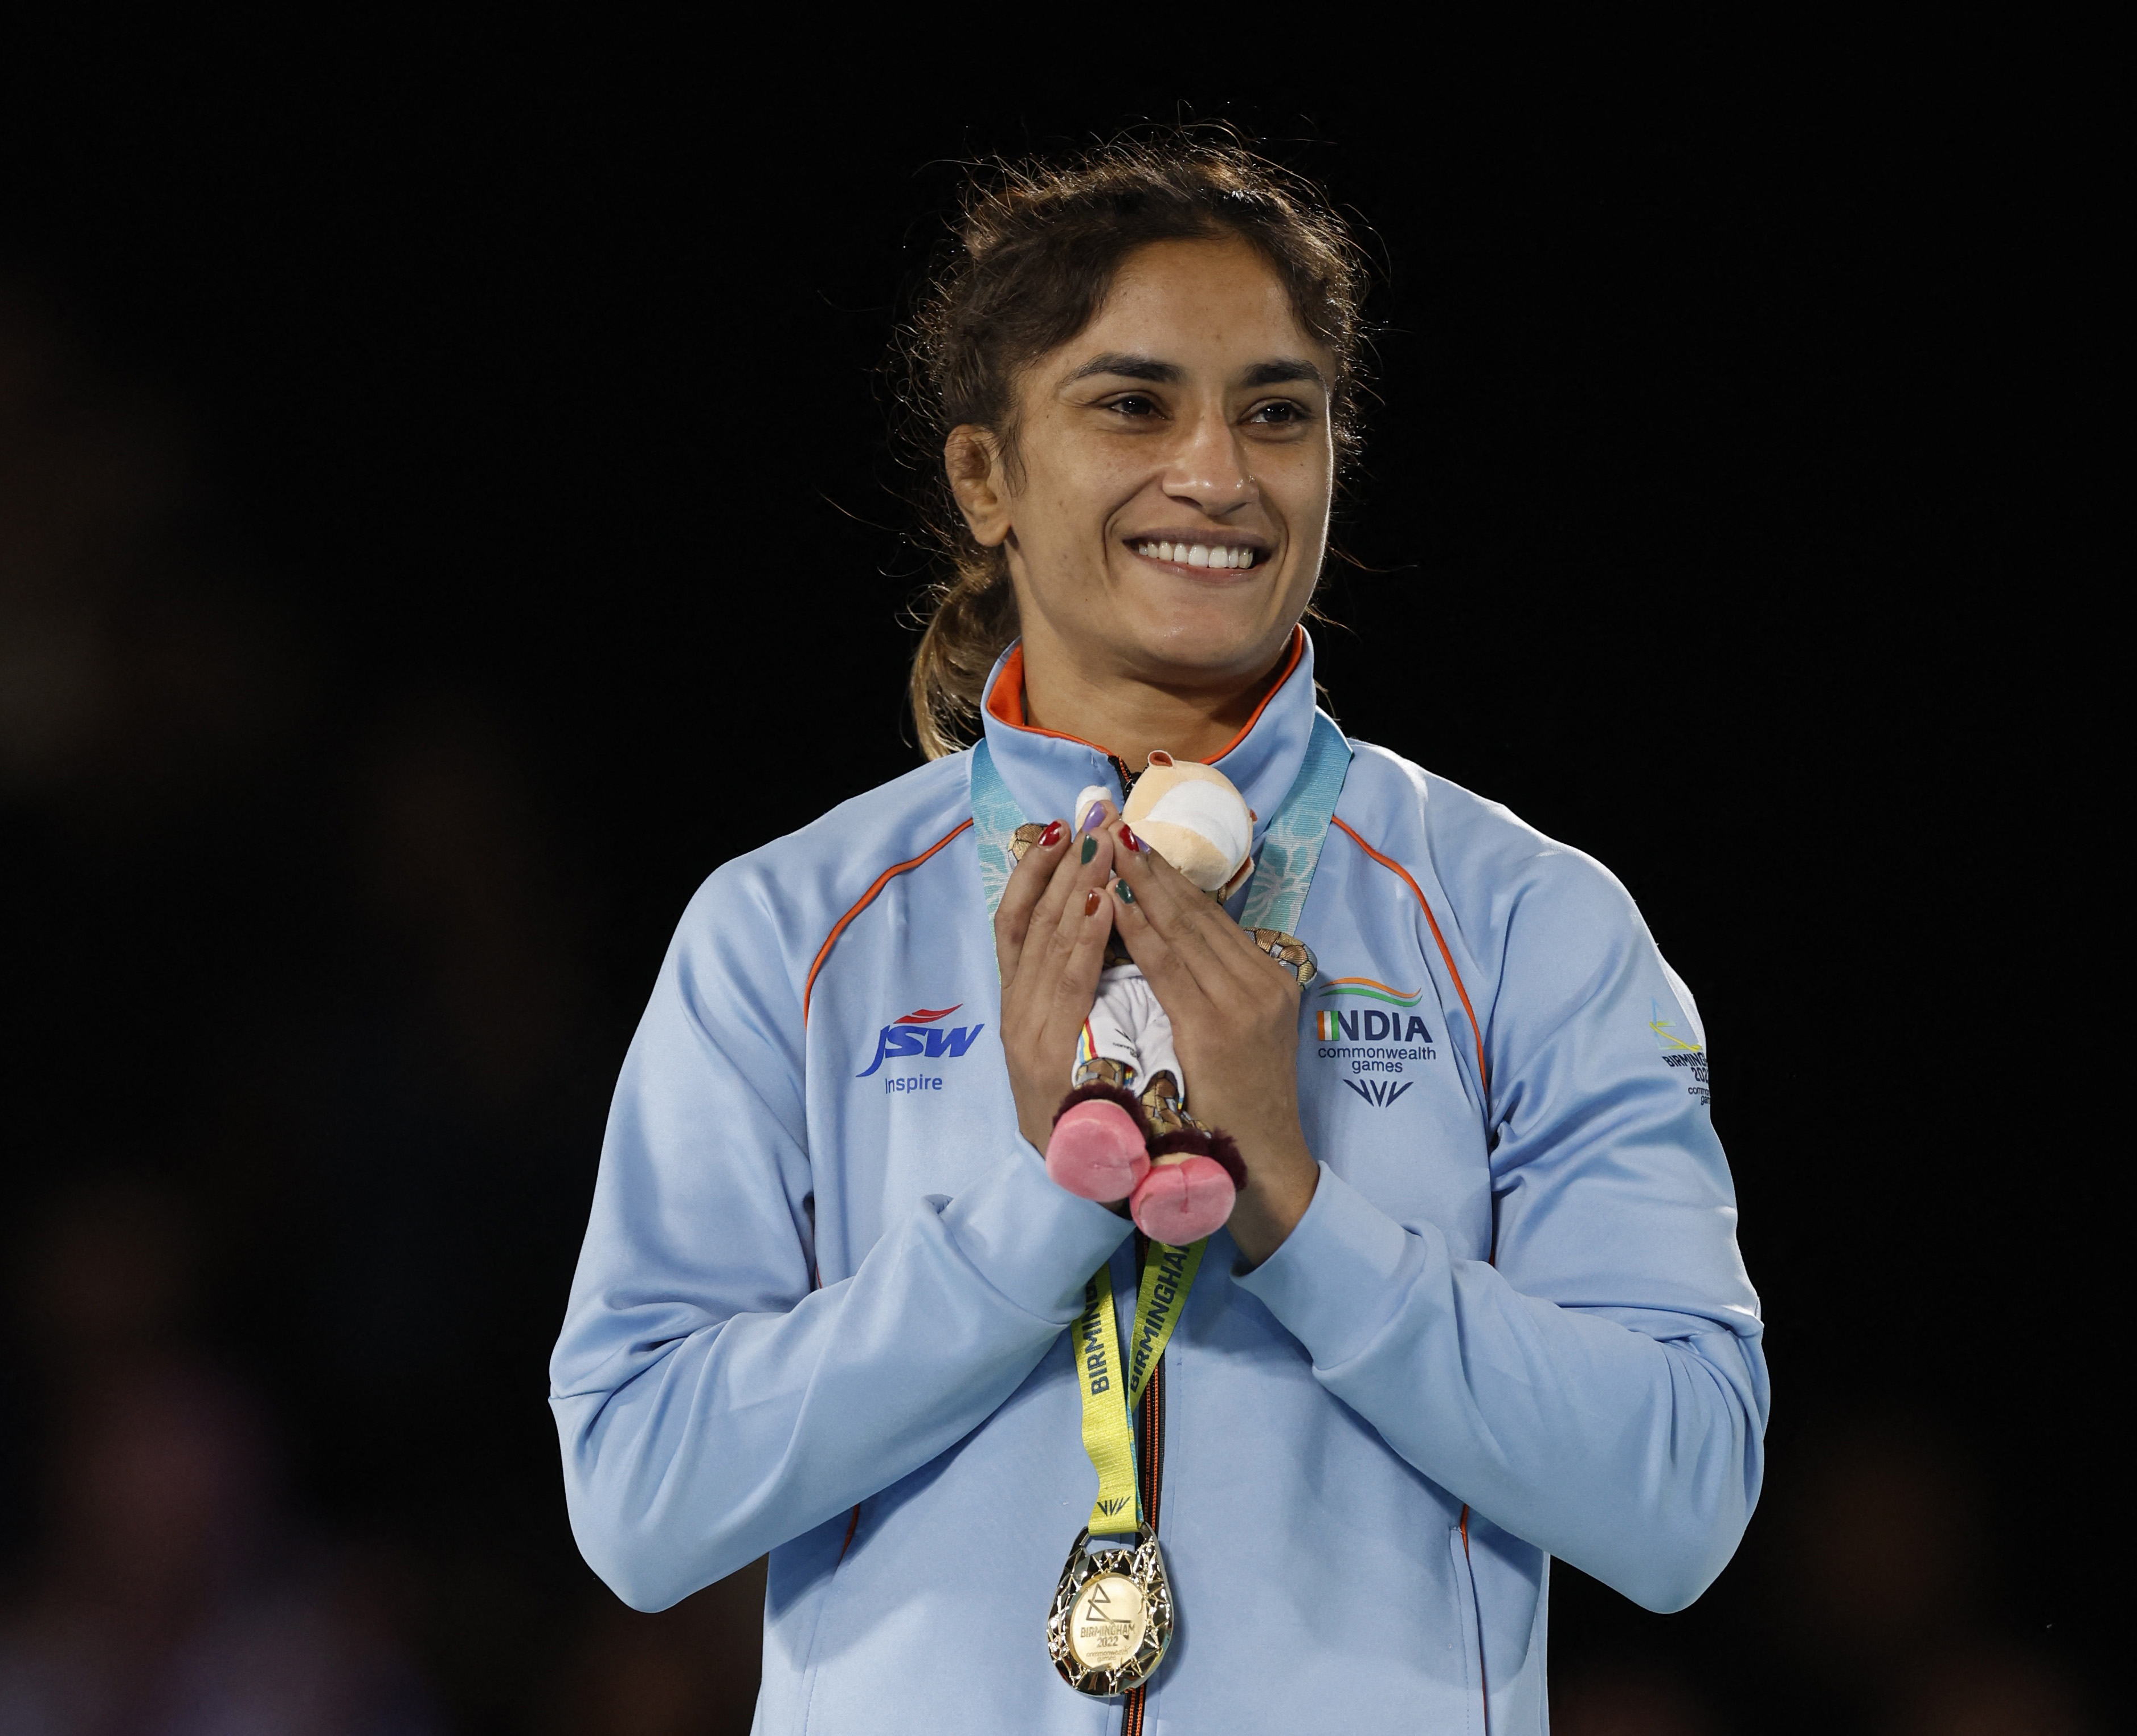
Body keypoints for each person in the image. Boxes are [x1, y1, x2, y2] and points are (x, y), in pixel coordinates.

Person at [549, 137, 1767, 1735]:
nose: (1218, 473)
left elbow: (1681, 1497)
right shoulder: (788, 931)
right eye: (1133, 405)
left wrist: (1305, 1218)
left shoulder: (1525, 920)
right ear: (985, 477)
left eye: (1278, 411)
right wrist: (1034, 1217)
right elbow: (641, 1498)